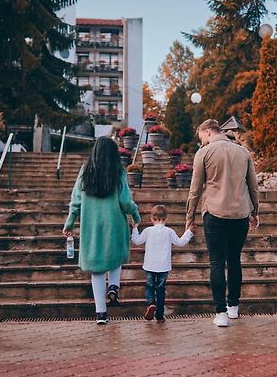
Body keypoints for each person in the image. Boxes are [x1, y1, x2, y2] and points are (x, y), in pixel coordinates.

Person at [186, 119, 260, 327]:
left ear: (208, 131)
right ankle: (234, 307)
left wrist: (189, 217)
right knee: (234, 260)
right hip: (240, 213)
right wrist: (255, 210)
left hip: (214, 213)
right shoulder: (243, 152)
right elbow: (253, 185)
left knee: (216, 261)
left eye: (200, 136)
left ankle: (221, 313)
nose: (201, 140)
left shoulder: (204, 153)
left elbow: (195, 189)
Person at [63, 136, 141, 325]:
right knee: (115, 257)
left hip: (91, 225)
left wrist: (69, 222)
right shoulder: (118, 171)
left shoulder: (85, 171)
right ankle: (114, 286)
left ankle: (101, 314)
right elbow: (124, 200)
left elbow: (76, 201)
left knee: (96, 270)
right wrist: (135, 215)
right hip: (115, 223)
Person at [131, 204, 194, 322]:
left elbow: (137, 241)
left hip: (150, 265)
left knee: (149, 286)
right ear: (165, 218)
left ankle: (150, 303)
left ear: (152, 218)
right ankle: (159, 313)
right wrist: (189, 232)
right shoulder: (169, 231)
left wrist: (134, 228)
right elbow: (180, 242)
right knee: (160, 289)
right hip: (164, 266)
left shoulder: (148, 231)